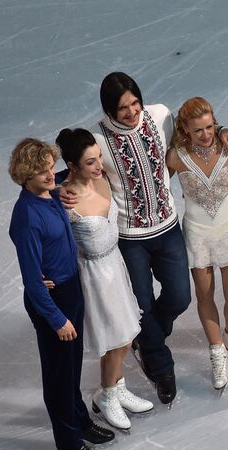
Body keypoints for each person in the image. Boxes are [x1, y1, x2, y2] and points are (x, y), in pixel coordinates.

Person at [60, 72, 228, 405]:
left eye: (134, 102)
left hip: (168, 227)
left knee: (181, 297)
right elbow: (75, 163)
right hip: (130, 237)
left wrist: (225, 129)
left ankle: (147, 338)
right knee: (142, 306)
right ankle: (161, 366)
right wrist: (60, 189)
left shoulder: (160, 115)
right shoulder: (98, 138)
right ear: (109, 109)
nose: (131, 112)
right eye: (122, 107)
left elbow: (196, 128)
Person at [8, 138, 114, 450]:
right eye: (41, 172)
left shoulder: (49, 194)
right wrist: (55, 319)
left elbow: (58, 182)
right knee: (57, 374)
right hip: (51, 301)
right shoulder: (25, 217)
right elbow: (31, 280)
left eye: (50, 167)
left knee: (70, 368)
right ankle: (69, 443)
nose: (50, 175)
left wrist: (56, 192)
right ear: (26, 176)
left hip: (70, 289)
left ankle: (80, 421)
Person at [54, 128, 153, 431]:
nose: (99, 166)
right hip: (95, 278)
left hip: (115, 267)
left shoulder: (104, 179)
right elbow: (49, 237)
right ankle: (106, 395)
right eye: (90, 163)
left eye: (99, 158)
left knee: (125, 334)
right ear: (71, 166)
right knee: (116, 340)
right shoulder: (65, 201)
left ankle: (116, 386)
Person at [166, 97, 228, 391]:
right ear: (185, 131)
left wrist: (226, 131)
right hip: (197, 234)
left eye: (209, 127)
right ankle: (217, 352)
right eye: (198, 130)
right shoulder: (176, 157)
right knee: (205, 297)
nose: (205, 134)